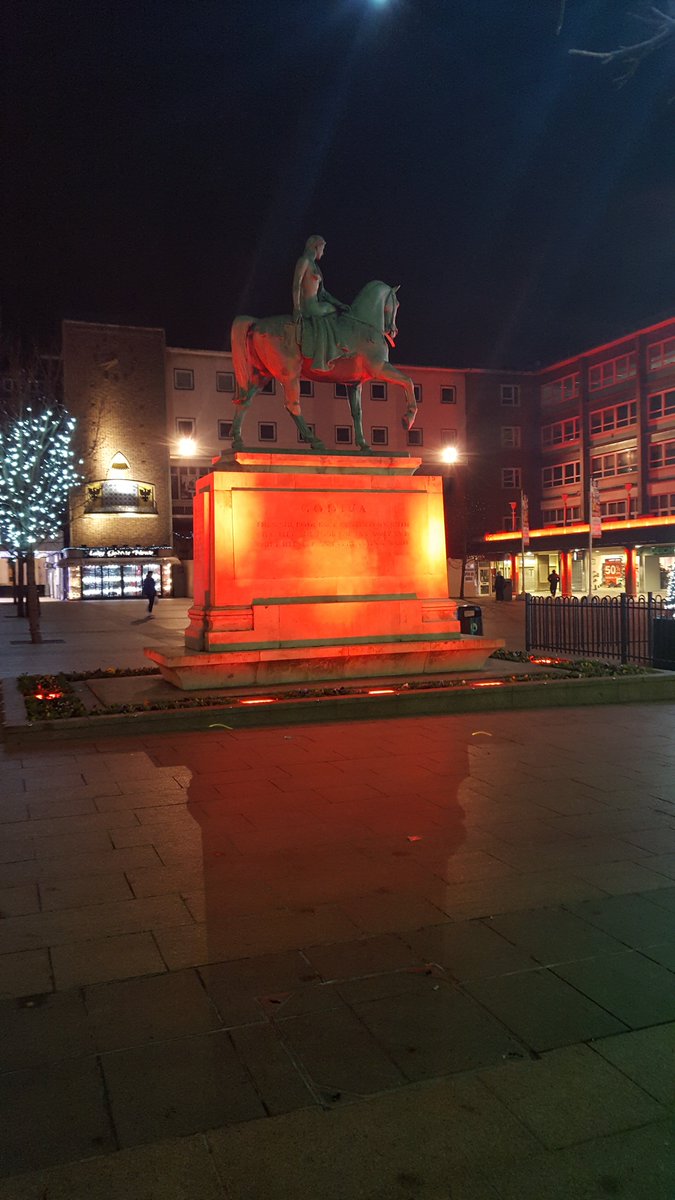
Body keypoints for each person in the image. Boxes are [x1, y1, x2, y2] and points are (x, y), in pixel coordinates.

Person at [292, 235, 350, 371]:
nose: (323, 252)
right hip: (308, 306)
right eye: (322, 248)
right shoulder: (304, 261)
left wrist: (340, 304)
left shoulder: (316, 267)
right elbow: (296, 285)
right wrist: (297, 308)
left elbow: (323, 293)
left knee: (333, 308)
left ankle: (330, 348)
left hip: (316, 304)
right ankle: (328, 351)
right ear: (316, 247)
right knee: (332, 310)